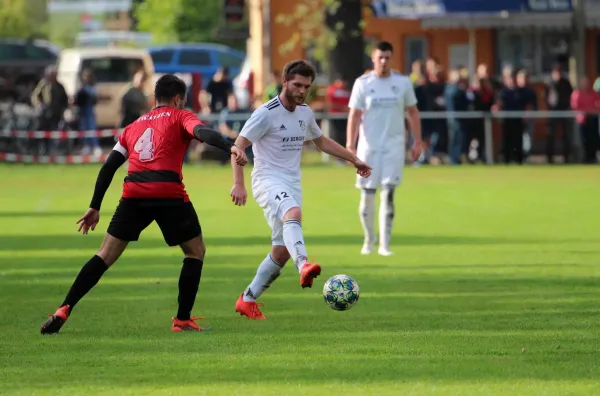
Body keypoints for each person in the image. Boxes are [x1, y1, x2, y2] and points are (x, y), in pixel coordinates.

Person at [40, 74, 248, 335]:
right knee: (195, 251)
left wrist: (95, 206)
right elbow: (202, 132)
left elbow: (109, 166)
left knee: (104, 254)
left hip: (133, 193)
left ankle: (64, 307)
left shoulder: (133, 126)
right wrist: (229, 146)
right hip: (168, 191)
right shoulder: (179, 115)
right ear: (176, 99)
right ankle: (182, 320)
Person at [228, 60, 372, 320]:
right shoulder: (266, 113)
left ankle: (247, 299)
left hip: (292, 182)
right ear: (284, 82)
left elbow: (321, 141)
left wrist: (354, 158)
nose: (301, 90)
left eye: (306, 86)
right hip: (267, 179)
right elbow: (237, 146)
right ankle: (304, 264)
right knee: (292, 212)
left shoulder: (305, 112)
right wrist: (238, 183)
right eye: (296, 84)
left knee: (280, 251)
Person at [346, 41, 423, 257]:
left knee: (388, 194)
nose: (383, 61)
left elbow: (413, 112)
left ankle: (385, 244)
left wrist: (417, 141)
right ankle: (369, 239)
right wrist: (350, 145)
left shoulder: (402, 83)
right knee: (367, 196)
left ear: (392, 58)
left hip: (394, 147)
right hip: (368, 148)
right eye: (380, 57)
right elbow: (354, 115)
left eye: (387, 57)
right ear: (373, 58)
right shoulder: (363, 83)